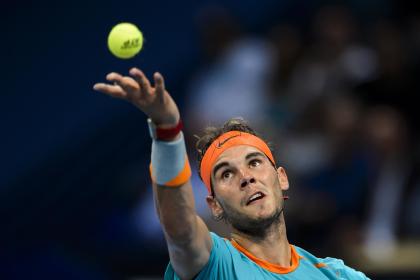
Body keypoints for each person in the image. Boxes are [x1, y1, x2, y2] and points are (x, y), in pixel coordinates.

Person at [93, 68, 370, 279]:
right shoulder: (216, 265)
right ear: (214, 205)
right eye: (226, 174)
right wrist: (167, 129)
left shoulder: (337, 274)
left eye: (255, 163)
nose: (246, 177)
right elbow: (180, 229)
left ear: (281, 178)